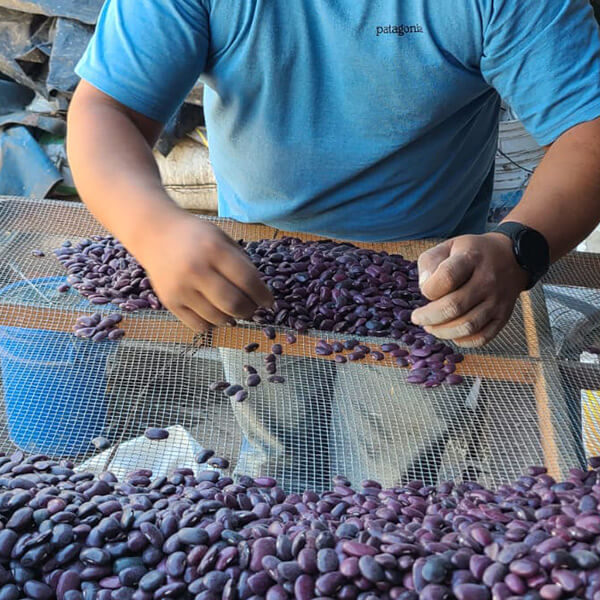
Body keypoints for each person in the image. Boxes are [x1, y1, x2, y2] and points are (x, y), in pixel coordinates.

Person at [67, 0, 600, 490]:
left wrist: (517, 247)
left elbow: (589, 129)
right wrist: (154, 230)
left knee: (393, 481)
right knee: (274, 453)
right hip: (253, 274)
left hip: (422, 288)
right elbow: (107, 111)